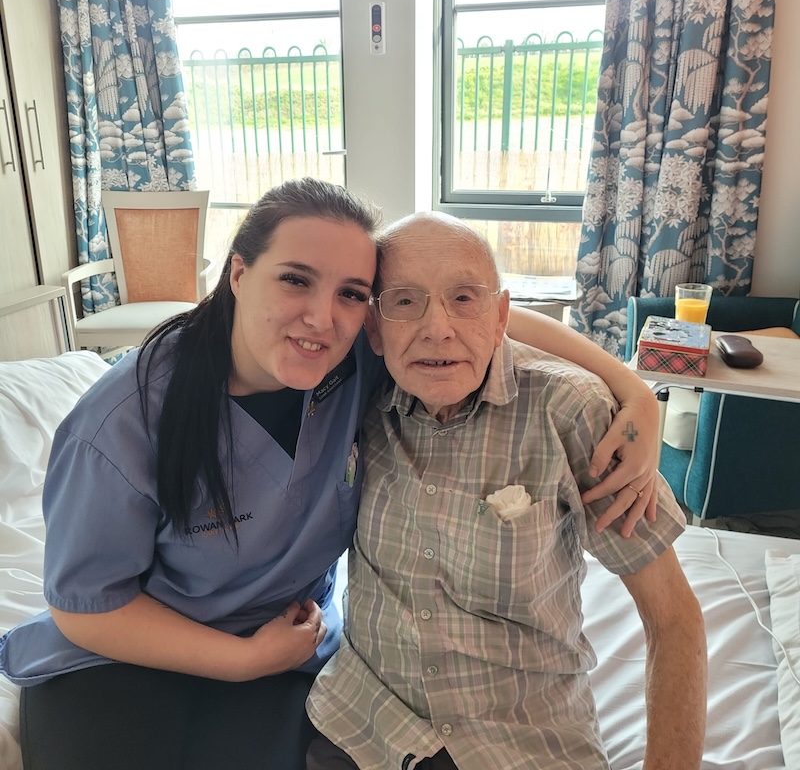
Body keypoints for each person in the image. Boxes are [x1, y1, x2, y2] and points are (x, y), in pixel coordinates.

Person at [2, 178, 662, 770]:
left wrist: (633, 390)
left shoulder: (352, 362)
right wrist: (244, 660)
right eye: (295, 280)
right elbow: (86, 605)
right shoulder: (123, 421)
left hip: (283, 645)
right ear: (239, 274)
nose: (322, 317)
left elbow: (479, 317)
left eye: (351, 294)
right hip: (122, 656)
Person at [305, 212, 707, 770]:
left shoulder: (571, 412)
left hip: (521, 740)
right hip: (364, 723)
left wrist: (632, 390)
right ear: (373, 327)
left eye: (463, 299)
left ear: (499, 317)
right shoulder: (354, 395)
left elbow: (673, 618)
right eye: (405, 301)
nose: (438, 328)